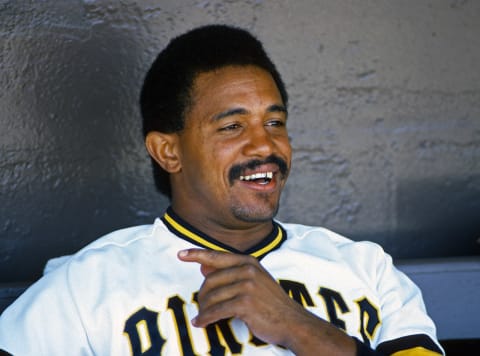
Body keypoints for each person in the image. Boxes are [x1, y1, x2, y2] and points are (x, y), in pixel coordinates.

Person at [0, 24, 444, 356]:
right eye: (233, 126)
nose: (265, 145)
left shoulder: (366, 268)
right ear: (167, 151)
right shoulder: (86, 286)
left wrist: (299, 327)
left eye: (275, 122)